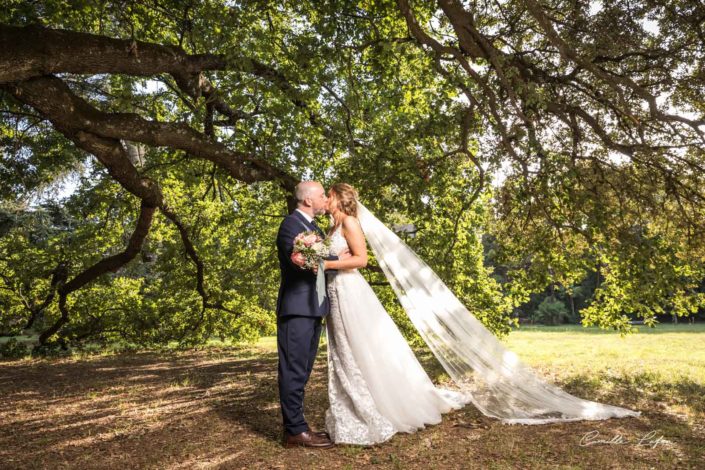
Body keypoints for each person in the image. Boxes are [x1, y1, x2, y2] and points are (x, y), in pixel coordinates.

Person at [319, 182, 641, 445]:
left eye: (327, 195)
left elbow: (361, 260)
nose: (324, 199)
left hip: (351, 291)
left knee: (359, 349)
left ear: (337, 198)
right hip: (338, 292)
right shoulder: (333, 224)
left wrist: (324, 262)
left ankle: (376, 406)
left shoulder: (349, 222)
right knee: (349, 351)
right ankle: (356, 404)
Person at [275, 181, 350, 449]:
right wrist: (335, 258)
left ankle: (298, 425)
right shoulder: (290, 225)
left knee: (303, 368)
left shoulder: (313, 227)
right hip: (296, 309)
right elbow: (305, 264)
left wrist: (332, 257)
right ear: (308, 200)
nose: (325, 200)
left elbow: (321, 257)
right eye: (321, 196)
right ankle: (294, 431)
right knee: (293, 369)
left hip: (312, 307)